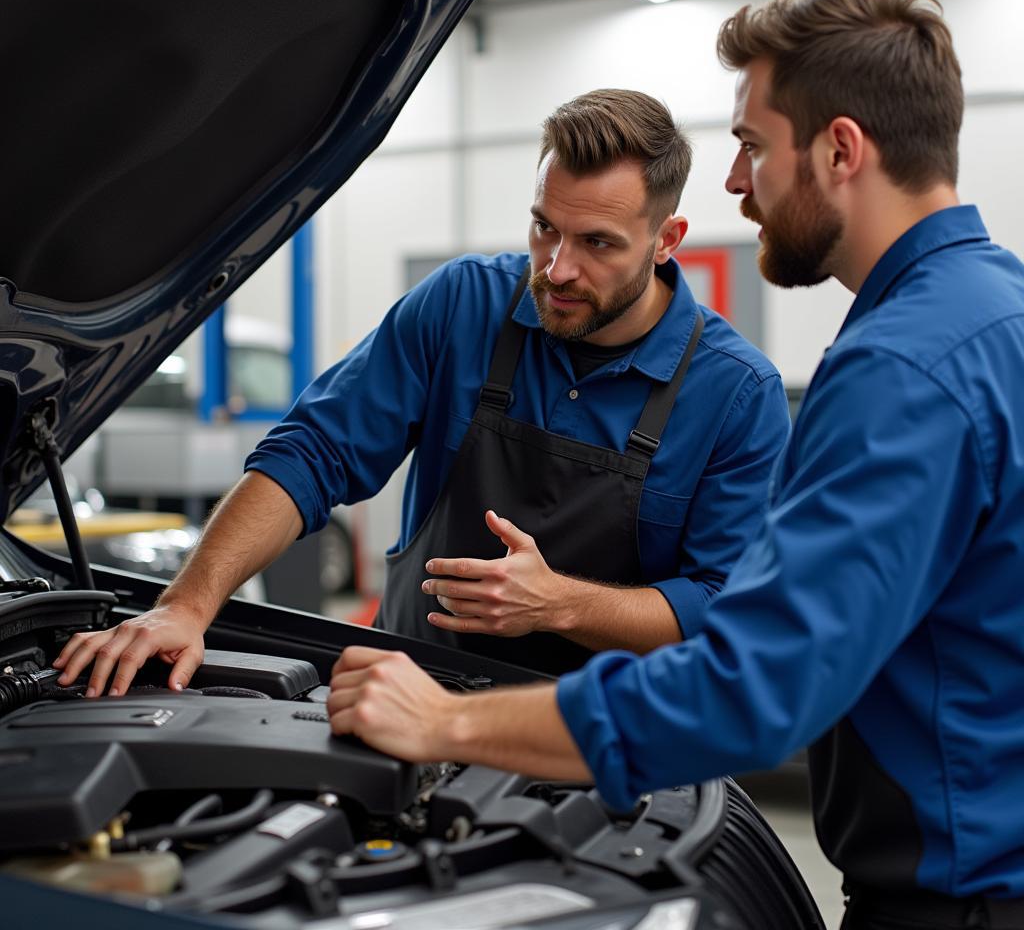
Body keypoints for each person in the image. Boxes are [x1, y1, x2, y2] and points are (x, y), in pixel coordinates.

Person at [321, 0, 1024, 929]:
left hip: (963, 898)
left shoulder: (900, 369)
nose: (738, 182)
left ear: (841, 150)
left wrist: (445, 720)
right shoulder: (999, 317)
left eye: (751, 145)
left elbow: (751, 688)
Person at [54, 89, 789, 692]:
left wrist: (559, 604)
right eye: (543, 229)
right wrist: (187, 604)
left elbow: (724, 603)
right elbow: (313, 452)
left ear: (667, 239)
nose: (557, 269)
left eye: (597, 243)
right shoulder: (464, 305)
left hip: (602, 741)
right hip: (409, 692)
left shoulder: (734, 394)